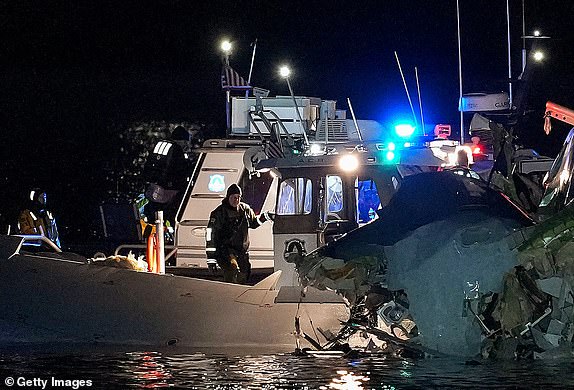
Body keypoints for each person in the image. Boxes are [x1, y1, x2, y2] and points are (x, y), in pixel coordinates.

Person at [206, 184, 274, 284]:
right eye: (234, 197)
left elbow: (254, 223)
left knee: (245, 274)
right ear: (228, 197)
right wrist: (211, 259)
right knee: (232, 269)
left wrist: (265, 216)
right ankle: (230, 295)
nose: (236, 200)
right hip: (225, 251)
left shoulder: (245, 210)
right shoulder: (219, 213)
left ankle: (240, 294)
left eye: (238, 197)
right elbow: (210, 235)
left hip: (241, 252)